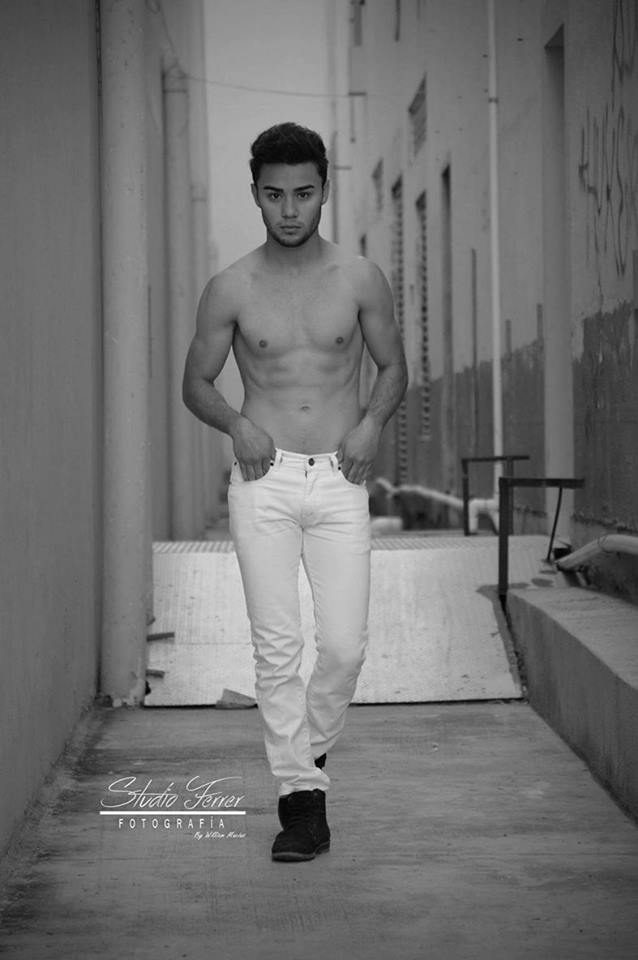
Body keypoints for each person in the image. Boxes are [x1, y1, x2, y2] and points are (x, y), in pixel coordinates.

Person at [182, 122, 407, 862]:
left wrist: (372, 423)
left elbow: (393, 366)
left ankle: (305, 754)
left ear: (324, 191)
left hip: (342, 476)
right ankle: (301, 803)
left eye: (303, 194)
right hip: (264, 478)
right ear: (255, 193)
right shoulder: (232, 288)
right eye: (275, 194)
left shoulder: (360, 278)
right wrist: (237, 425)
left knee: (343, 647)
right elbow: (196, 382)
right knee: (277, 650)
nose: (289, 209)